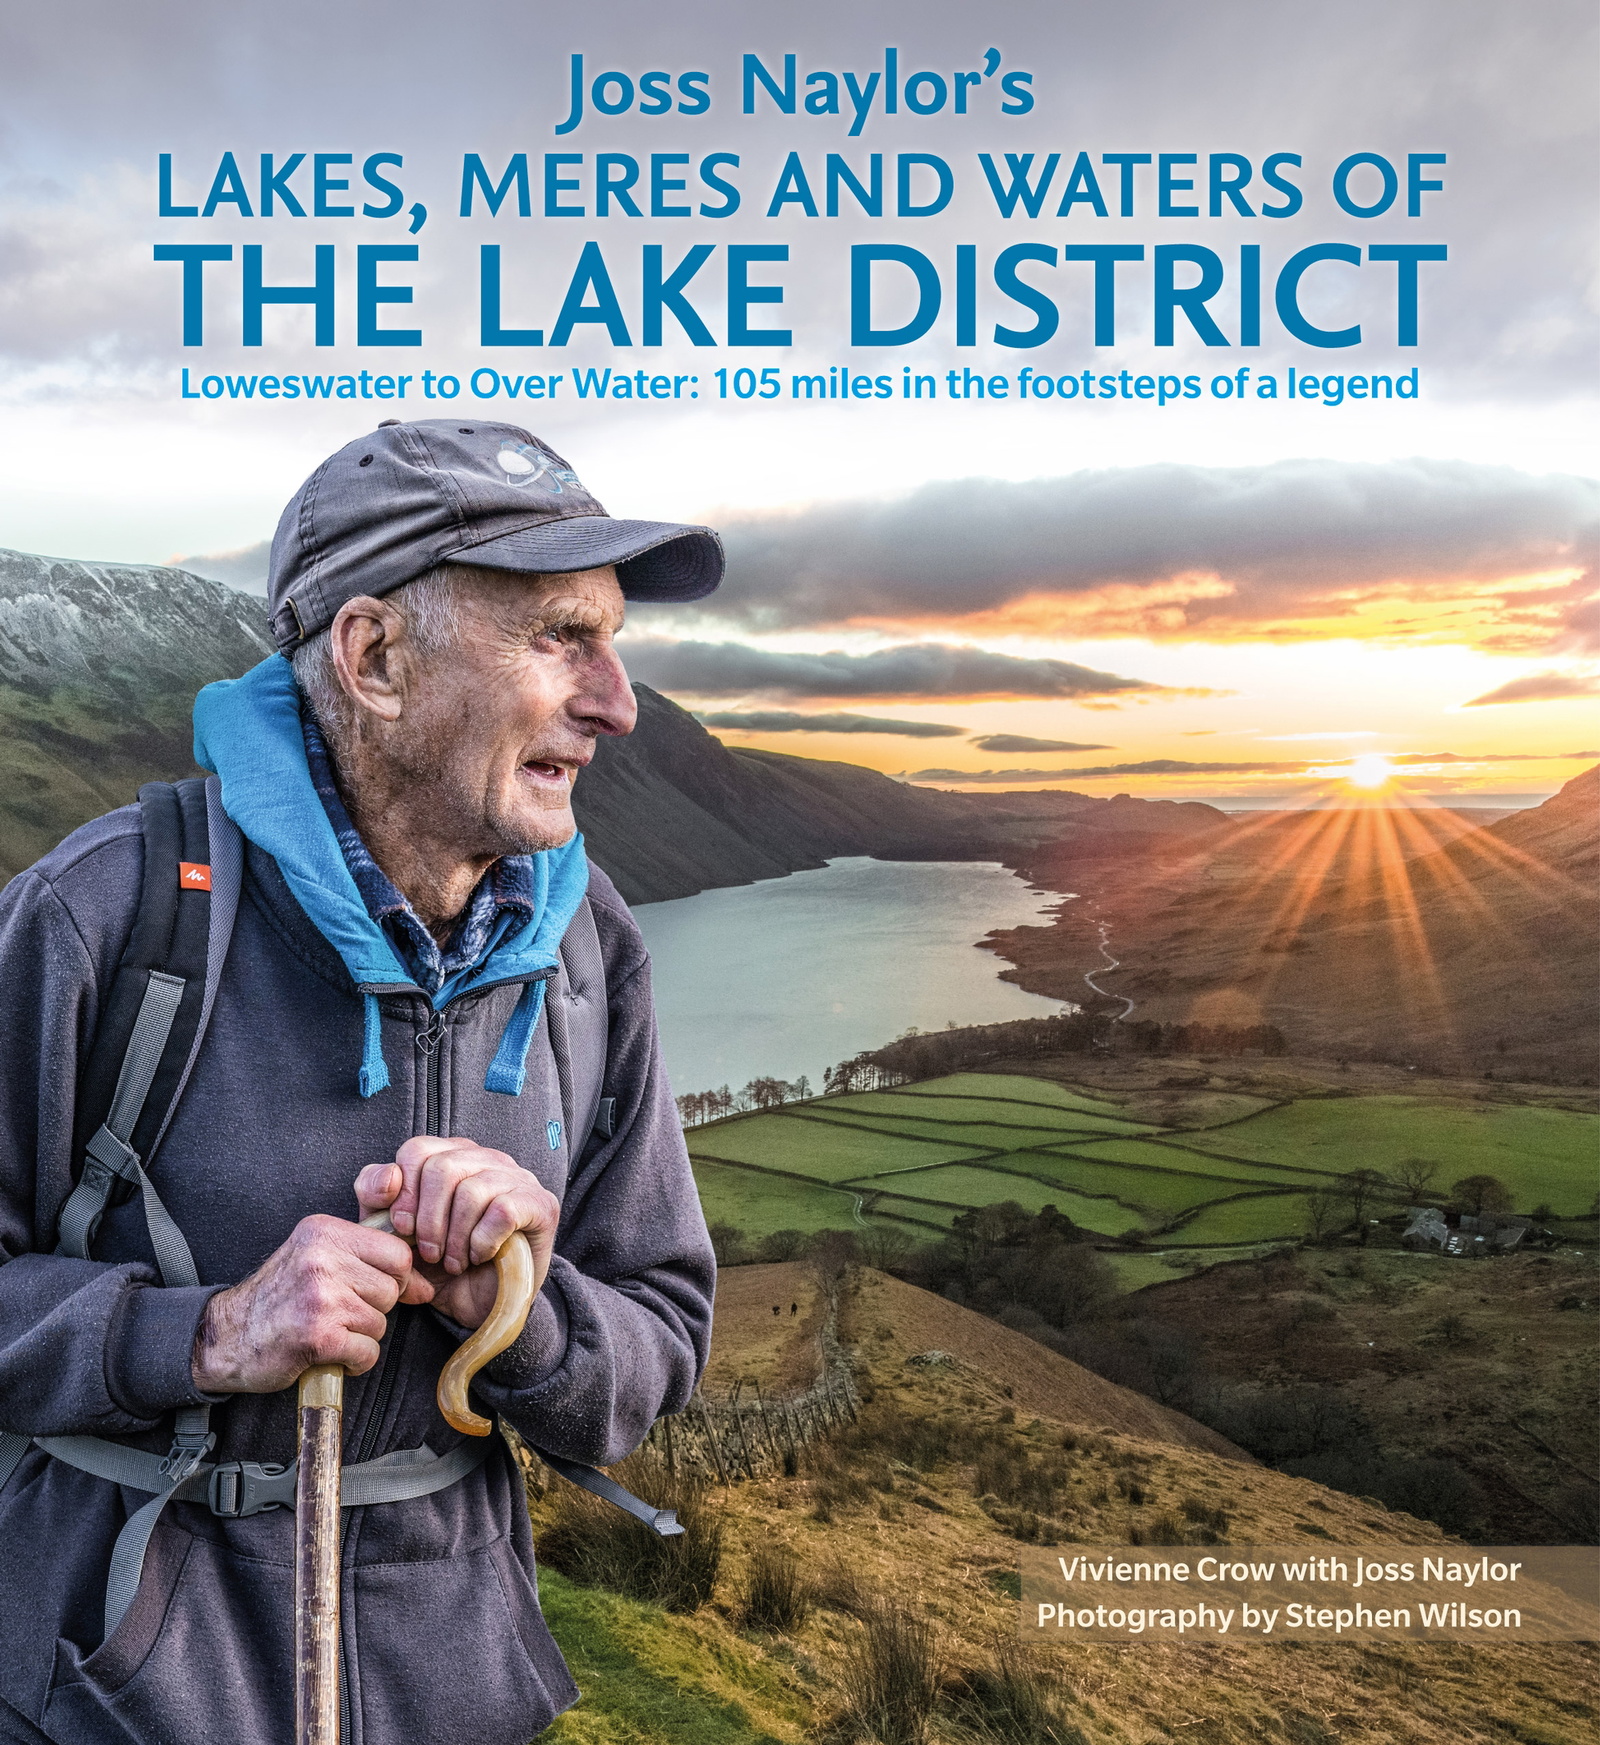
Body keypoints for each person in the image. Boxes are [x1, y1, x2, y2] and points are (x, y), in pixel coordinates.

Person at [0, 420, 720, 1745]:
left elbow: (660, 1337)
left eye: (613, 642)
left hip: (458, 1689)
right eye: (561, 635)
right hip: (118, 1695)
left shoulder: (588, 946)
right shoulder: (102, 915)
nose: (616, 700)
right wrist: (208, 1331)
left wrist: (518, 1310)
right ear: (375, 657)